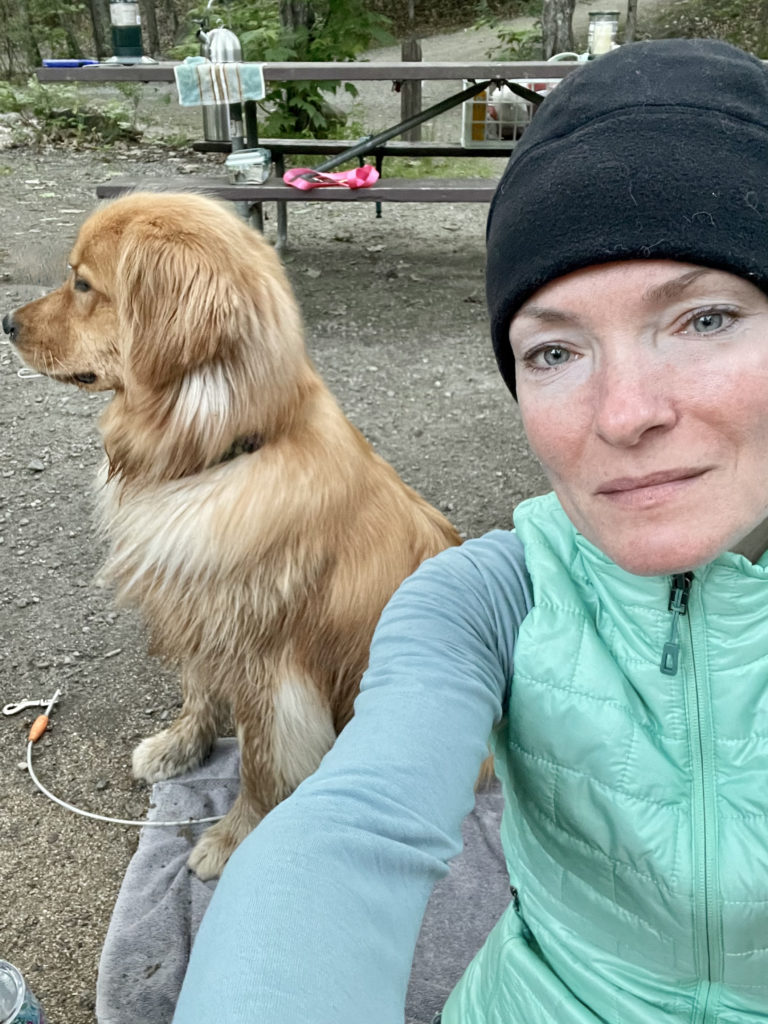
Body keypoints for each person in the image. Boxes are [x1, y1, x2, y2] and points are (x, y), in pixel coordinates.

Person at [171, 38, 768, 1023]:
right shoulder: (484, 595)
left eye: (703, 319)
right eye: (556, 349)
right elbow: (353, 825)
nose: (623, 415)